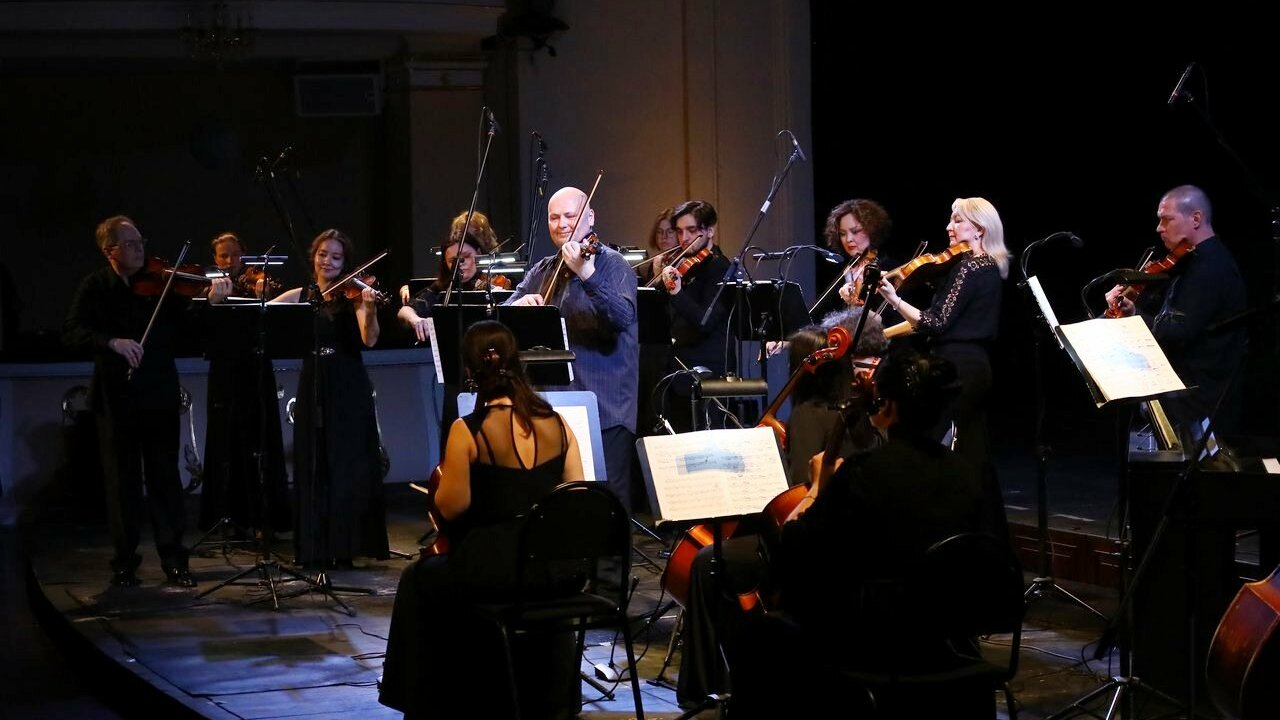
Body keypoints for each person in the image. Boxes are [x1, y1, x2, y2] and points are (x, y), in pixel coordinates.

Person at [726, 346, 1003, 718]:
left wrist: (816, 488)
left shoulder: (863, 474)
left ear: (889, 408)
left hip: (873, 646)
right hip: (946, 640)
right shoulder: (965, 474)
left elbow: (794, 549)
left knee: (757, 636)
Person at [378, 320, 586, 719]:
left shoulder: (467, 430)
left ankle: (429, 704)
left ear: (471, 371)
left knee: (418, 578)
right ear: (517, 362)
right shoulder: (558, 424)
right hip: (553, 570)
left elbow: (451, 507)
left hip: (497, 570)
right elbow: (576, 500)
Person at [62, 215, 231, 587]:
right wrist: (111, 342)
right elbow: (73, 331)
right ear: (110, 251)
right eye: (131, 244)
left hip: (158, 393)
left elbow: (188, 332)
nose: (140, 249)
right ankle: (124, 561)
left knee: (165, 479)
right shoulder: (96, 286)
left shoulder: (162, 286)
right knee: (121, 483)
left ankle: (174, 559)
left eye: (141, 242)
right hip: (115, 396)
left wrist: (209, 303)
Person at [506, 186, 639, 513]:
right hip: (554, 406)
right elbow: (503, 313)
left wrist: (586, 273)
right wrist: (518, 306)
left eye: (570, 215)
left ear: (590, 217)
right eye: (554, 217)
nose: (562, 223)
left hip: (604, 408)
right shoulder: (544, 269)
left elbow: (622, 318)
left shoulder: (613, 264)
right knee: (561, 502)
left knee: (607, 504)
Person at [273, 229, 390, 568]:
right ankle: (315, 545)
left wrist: (370, 308)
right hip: (313, 379)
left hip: (346, 381)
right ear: (313, 256)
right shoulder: (301, 295)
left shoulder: (354, 296)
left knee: (345, 463)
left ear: (345, 263)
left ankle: (344, 547)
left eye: (336, 257)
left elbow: (369, 339)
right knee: (314, 459)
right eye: (322, 254)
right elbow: (265, 313)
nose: (328, 261)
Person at [876, 196, 1009, 472]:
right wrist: (883, 334)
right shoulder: (988, 266)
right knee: (972, 448)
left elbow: (934, 322)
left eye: (957, 221)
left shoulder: (969, 267)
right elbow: (930, 321)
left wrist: (894, 300)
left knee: (930, 443)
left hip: (956, 366)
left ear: (979, 229)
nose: (949, 227)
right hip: (977, 366)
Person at [1104, 184, 1247, 435]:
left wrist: (1134, 315)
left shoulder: (1209, 268)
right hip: (1189, 395)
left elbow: (1175, 333)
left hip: (1196, 402)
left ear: (1196, 219)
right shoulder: (1195, 261)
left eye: (1166, 219)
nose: (1159, 228)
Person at [197, 232, 292, 538]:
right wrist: (212, 302)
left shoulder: (255, 280)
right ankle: (228, 516)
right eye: (223, 256)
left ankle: (265, 517)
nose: (230, 261)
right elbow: (198, 330)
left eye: (236, 255)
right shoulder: (208, 288)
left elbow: (275, 316)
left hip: (256, 369)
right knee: (226, 441)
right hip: (224, 373)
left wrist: (264, 294)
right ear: (215, 259)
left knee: (261, 439)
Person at [655, 200, 740, 432]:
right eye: (679, 231)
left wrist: (677, 292)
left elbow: (705, 321)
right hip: (680, 377)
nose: (684, 238)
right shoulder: (686, 265)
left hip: (709, 380)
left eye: (691, 230)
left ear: (710, 231)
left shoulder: (721, 268)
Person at [821, 198, 896, 317]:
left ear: (872, 230)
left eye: (855, 231)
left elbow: (890, 318)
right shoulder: (845, 269)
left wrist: (854, 304)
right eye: (842, 234)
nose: (848, 239)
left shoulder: (888, 266)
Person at [636, 206, 677, 286]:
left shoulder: (684, 265)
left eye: (670, 232)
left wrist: (658, 277)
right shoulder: (644, 269)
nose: (664, 236)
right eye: (659, 232)